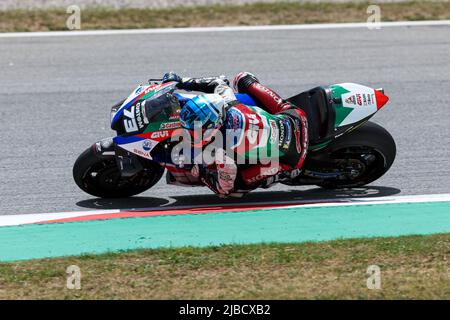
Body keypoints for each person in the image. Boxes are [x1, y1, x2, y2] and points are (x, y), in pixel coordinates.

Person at [162, 72, 309, 197]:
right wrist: (181, 82)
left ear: (213, 126)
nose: (190, 133)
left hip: (292, 156)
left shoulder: (224, 153)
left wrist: (200, 172)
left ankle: (286, 173)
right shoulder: (229, 104)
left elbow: (224, 189)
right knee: (242, 78)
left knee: (238, 186)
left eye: (195, 130)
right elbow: (218, 82)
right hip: (294, 116)